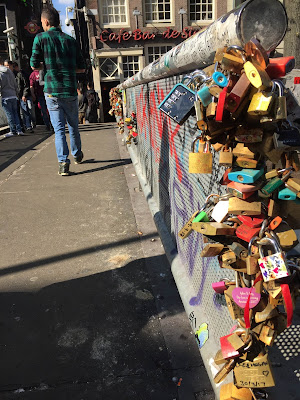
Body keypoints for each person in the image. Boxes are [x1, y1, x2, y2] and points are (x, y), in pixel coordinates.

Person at [30, 5, 85, 176]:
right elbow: (82, 68)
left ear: (46, 21)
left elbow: (33, 64)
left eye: (41, 22)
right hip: (69, 90)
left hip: (52, 91)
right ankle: (77, 154)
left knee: (59, 129)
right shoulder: (70, 40)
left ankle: (63, 163)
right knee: (73, 126)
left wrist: (46, 65)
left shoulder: (40, 38)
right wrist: (67, 68)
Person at [0, 57, 23, 137]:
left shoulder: (0, 73)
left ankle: (12, 131)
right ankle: (19, 130)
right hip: (13, 95)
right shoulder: (10, 72)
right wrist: (16, 93)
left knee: (9, 114)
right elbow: (15, 84)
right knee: (15, 113)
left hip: (5, 96)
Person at [12, 62, 34, 133]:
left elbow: (25, 85)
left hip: (21, 96)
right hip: (16, 96)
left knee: (25, 111)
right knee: (20, 112)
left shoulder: (20, 74)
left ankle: (28, 125)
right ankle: (23, 126)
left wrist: (24, 95)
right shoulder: (12, 75)